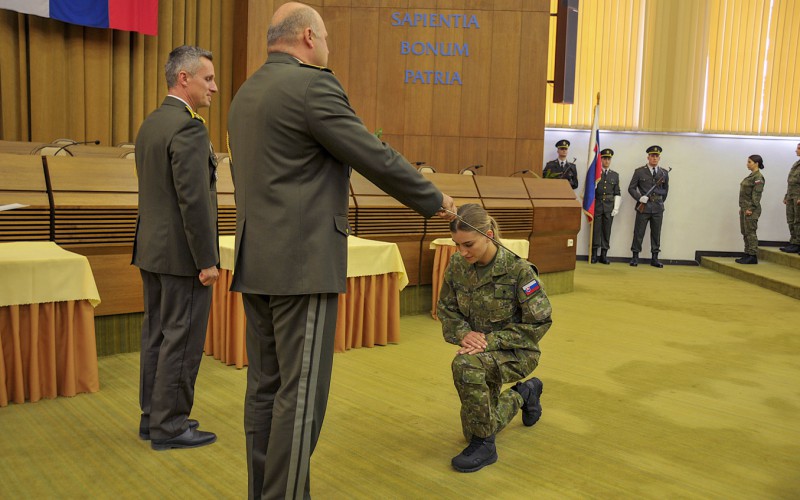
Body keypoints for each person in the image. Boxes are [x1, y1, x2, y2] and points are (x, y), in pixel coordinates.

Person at [226, 3, 456, 498]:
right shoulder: (312, 84)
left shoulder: (246, 93)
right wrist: (432, 197)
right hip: (303, 266)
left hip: (256, 263)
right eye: (327, 39)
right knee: (301, 394)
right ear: (309, 37)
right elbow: (372, 153)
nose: (329, 48)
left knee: (266, 390)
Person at [131, 45, 219, 451]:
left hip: (151, 250)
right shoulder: (189, 127)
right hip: (183, 256)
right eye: (208, 79)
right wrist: (207, 260)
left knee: (157, 336)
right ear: (184, 78)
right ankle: (170, 426)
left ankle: (153, 416)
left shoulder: (151, 123)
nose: (214, 88)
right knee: (180, 340)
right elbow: (194, 200)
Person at [437, 204, 552, 473]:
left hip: (517, 352)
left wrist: (489, 341)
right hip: (479, 351)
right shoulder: (458, 265)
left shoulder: (519, 271)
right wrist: (464, 333)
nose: (462, 252)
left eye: (469, 244)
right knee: (475, 425)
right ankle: (524, 393)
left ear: (488, 234)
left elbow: (539, 322)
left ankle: (485, 446)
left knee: (465, 367)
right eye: (457, 245)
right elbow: (446, 308)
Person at [628, 145, 669, 267]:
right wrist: (639, 197)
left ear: (659, 158)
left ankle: (654, 258)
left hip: (657, 207)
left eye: (657, 156)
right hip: (644, 207)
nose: (654, 158)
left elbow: (666, 191)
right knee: (638, 232)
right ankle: (635, 257)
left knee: (656, 233)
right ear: (648, 157)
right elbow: (631, 188)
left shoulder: (664, 173)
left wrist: (658, 201)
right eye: (652, 156)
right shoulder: (639, 171)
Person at [591, 148, 621, 264]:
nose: (607, 161)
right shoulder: (595, 174)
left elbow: (617, 192)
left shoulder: (615, 175)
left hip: (609, 206)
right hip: (598, 205)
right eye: (604, 158)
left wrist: (616, 207)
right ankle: (594, 254)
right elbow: (590, 192)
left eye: (609, 159)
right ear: (601, 159)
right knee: (596, 230)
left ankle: (604, 255)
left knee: (606, 230)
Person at [735, 155, 766, 264]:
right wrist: (742, 208)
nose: (747, 164)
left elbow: (757, 196)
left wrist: (751, 208)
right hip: (745, 208)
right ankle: (747, 253)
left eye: (749, 162)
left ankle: (752, 256)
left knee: (750, 232)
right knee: (745, 232)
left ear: (756, 163)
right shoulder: (751, 176)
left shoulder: (758, 178)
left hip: (751, 209)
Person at [780, 142, 800, 254]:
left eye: (798, 148)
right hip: (792, 195)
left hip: (798, 197)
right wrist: (786, 196)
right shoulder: (796, 163)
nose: (796, 150)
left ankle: (798, 243)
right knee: (791, 220)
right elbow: (791, 182)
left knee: (798, 220)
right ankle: (794, 242)